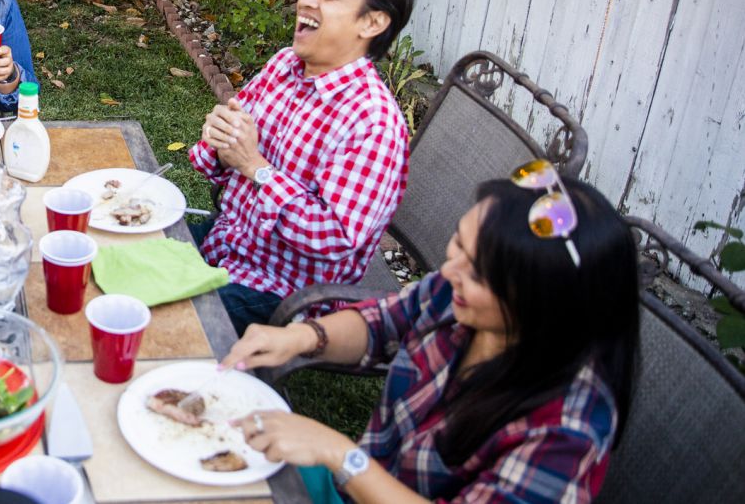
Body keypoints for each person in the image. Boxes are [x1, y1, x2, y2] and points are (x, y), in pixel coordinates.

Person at [223, 170, 640, 503]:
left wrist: (339, 454)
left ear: (541, 306)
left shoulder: (564, 432)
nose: (450, 268)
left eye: (476, 271)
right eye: (458, 243)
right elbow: (381, 324)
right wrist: (303, 337)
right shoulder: (454, 295)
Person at [189, 0, 414, 334]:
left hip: (285, 291)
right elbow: (220, 157)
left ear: (372, 23)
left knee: (160, 319)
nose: (306, 1)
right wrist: (221, 142)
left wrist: (256, 167)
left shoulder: (372, 124)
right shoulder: (286, 65)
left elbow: (334, 239)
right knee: (116, 253)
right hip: (227, 241)